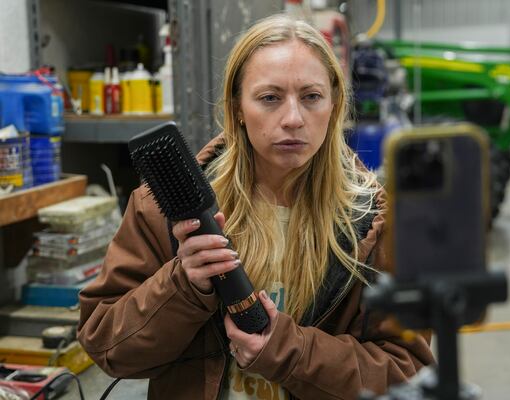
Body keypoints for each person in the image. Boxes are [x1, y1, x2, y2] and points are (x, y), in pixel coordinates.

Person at [77, 14, 434, 400]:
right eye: (270, 98)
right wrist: (183, 285)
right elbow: (109, 348)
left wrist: (285, 350)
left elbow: (404, 374)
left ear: (334, 104)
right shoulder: (160, 210)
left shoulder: (377, 226)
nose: (293, 119)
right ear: (238, 109)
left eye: (311, 97)